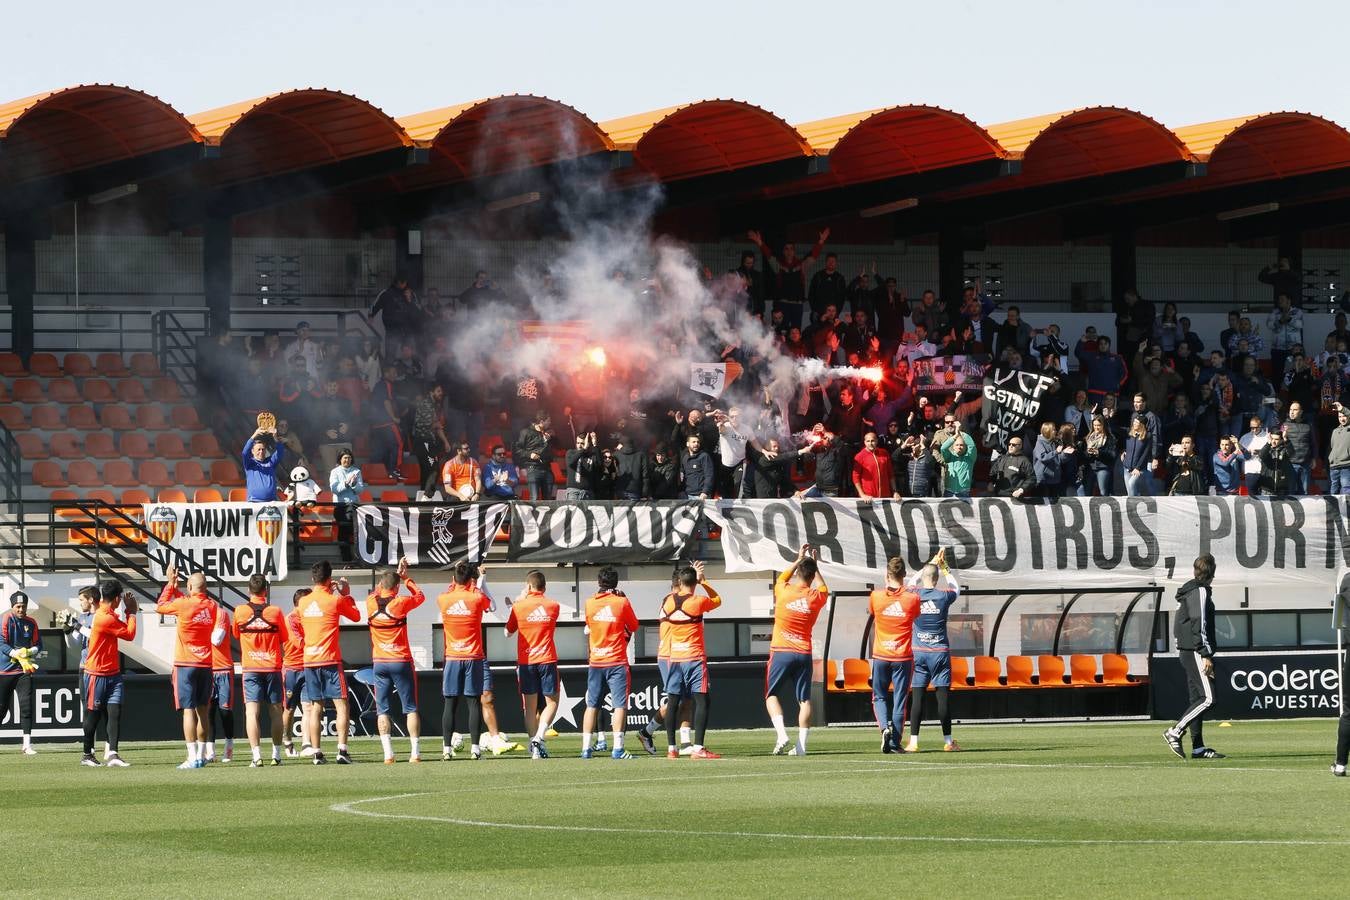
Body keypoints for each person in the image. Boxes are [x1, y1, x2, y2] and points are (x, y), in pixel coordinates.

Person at [156, 568, 228, 769]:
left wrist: (171, 584)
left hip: (185, 664)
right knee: (203, 711)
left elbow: (161, 606)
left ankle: (192, 757)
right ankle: (203, 755)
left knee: (188, 711)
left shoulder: (183, 604)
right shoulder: (213, 607)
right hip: (205, 664)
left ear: (189, 587)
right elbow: (196, 604)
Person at [766, 545, 829, 756]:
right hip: (803, 652)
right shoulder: (815, 597)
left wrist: (798, 558)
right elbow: (824, 588)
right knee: (804, 700)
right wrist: (816, 566)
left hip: (781, 650)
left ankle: (782, 734)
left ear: (798, 573)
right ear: (811, 577)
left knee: (771, 694)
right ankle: (801, 747)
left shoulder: (783, 590)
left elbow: (782, 578)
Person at [299, 561, 360, 765]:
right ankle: (342, 750)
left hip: (310, 660)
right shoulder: (335, 600)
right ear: (329, 578)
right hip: (331, 660)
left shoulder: (303, 603)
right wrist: (345, 593)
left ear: (313, 579)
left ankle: (317, 753)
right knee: (342, 705)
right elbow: (356, 615)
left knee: (316, 706)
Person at [1164, 555, 1225, 760]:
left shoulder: (1190, 591)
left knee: (1196, 698)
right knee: (1209, 698)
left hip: (1188, 650)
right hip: (1195, 651)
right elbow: (1199, 623)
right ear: (1212, 573)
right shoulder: (1198, 591)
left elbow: (1182, 624)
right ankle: (1176, 731)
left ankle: (1198, 748)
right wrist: (1205, 653)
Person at [661, 561, 723, 759]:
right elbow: (717, 600)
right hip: (694, 658)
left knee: (673, 702)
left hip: (675, 658)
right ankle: (698, 748)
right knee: (702, 700)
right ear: (694, 582)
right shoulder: (697, 601)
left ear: (679, 581)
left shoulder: (668, 601)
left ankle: (672, 748)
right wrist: (704, 581)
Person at [366, 558, 425, 764]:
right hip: (400, 661)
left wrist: (392, 580)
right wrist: (406, 578)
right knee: (410, 707)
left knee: (382, 708)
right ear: (397, 587)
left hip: (379, 662)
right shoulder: (400, 603)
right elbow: (420, 596)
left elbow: (377, 591)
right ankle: (415, 753)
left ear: (381, 585)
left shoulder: (370, 602)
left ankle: (388, 754)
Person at [581, 567, 641, 760]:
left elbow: (589, 626)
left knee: (592, 705)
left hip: (596, 660)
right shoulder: (622, 602)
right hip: (616, 661)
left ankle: (585, 748)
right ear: (616, 583)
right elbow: (633, 626)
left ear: (599, 582)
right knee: (620, 705)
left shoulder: (590, 603)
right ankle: (618, 748)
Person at [906, 550, 962, 752]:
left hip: (919, 651)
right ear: (937, 579)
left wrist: (930, 563)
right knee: (942, 697)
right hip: (939, 652)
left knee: (918, 697)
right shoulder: (943, 596)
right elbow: (956, 587)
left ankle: (913, 742)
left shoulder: (913, 594)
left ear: (925, 577)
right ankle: (948, 742)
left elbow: (911, 582)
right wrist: (944, 566)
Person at [232, 574, 290, 767]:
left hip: (251, 668)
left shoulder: (240, 611)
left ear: (249, 591)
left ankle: (256, 756)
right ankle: (277, 755)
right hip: (272, 667)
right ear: (266, 590)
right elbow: (284, 637)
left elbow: (235, 633)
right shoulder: (275, 611)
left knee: (251, 713)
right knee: (275, 712)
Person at [437, 561, 492, 760]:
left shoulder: (443, 598)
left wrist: (457, 583)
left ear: (454, 579)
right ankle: (475, 750)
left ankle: (446, 750)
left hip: (452, 658)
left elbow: (450, 589)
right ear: (471, 580)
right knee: (474, 704)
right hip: (473, 657)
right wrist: (477, 582)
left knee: (450, 704)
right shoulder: (476, 597)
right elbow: (488, 604)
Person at [79, 580, 137, 767]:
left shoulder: (107, 613)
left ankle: (112, 753)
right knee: (93, 715)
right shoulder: (105, 617)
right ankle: (87, 754)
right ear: (118, 598)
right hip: (97, 673)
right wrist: (132, 612)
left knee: (115, 712)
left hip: (112, 673)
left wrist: (128, 613)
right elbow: (129, 634)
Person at [506, 570, 563, 760]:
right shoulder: (553, 606)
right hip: (547, 659)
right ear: (544, 587)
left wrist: (519, 601)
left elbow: (507, 632)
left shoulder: (519, 606)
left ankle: (534, 744)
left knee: (530, 708)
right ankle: (539, 738)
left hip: (526, 662)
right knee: (552, 702)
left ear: (528, 586)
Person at [869, 557, 921, 753]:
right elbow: (915, 615)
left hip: (881, 655)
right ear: (904, 575)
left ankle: (884, 728)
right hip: (903, 657)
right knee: (900, 700)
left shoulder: (876, 596)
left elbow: (874, 612)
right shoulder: (913, 598)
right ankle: (894, 742)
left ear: (886, 574)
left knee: (879, 697)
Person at [0, 591, 41, 756]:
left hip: (24, 670)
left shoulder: (31, 622)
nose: (21, 609)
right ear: (12, 607)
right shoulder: (5, 619)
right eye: (18, 606)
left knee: (26, 706)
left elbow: (39, 645)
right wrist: (15, 654)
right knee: (1, 709)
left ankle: (26, 745)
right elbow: (2, 643)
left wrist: (29, 651)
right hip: (4, 671)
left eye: (23, 606)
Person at [206, 594, 237, 764]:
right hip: (207, 668)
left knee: (225, 711)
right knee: (208, 711)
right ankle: (210, 751)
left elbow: (216, 640)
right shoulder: (199, 615)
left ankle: (229, 746)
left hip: (223, 668)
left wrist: (199, 628)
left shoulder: (221, 614)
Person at [281, 589, 308, 757]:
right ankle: (287, 741)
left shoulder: (310, 619)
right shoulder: (290, 619)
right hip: (291, 669)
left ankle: (306, 744)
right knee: (289, 709)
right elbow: (300, 643)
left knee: (308, 708)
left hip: (308, 667)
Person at [328, 450, 364, 563]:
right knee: (344, 531)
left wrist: (353, 485)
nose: (347, 460)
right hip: (340, 506)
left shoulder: (356, 471)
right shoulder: (334, 472)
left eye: (349, 458)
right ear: (340, 459)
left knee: (351, 531)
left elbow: (360, 489)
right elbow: (334, 489)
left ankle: (356, 559)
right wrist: (345, 483)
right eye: (345, 458)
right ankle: (346, 559)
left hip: (353, 505)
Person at [513, 412, 554, 501]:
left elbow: (555, 448)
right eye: (548, 421)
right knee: (534, 498)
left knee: (548, 499)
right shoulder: (526, 432)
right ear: (542, 421)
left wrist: (549, 440)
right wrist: (529, 454)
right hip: (533, 468)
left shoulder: (548, 433)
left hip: (547, 468)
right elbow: (517, 449)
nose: (550, 423)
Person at [936, 418, 976, 499]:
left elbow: (972, 446)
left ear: (965, 447)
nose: (959, 447)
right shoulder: (949, 457)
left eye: (962, 445)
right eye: (957, 445)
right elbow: (943, 448)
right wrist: (955, 436)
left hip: (964, 492)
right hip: (949, 492)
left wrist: (960, 432)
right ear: (953, 447)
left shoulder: (969, 458)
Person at [242, 425, 283, 502]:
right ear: (253, 451)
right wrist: (254, 435)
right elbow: (245, 453)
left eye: (263, 449)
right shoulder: (250, 463)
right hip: (254, 502)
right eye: (258, 449)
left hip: (272, 502)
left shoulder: (270, 461)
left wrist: (275, 437)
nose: (261, 451)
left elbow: (280, 453)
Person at [852, 431, 898, 499]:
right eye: (868, 441)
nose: (870, 443)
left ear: (877, 441)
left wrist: (895, 492)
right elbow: (855, 477)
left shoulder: (884, 453)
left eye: (872, 441)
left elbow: (890, 473)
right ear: (864, 442)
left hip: (885, 496)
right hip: (869, 497)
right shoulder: (860, 456)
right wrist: (862, 494)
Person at [1121, 419, 1152, 497]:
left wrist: (1138, 468)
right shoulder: (1129, 433)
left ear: (1142, 424)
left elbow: (1145, 454)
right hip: (1127, 467)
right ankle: (1134, 505)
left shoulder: (1147, 436)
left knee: (1132, 484)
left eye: (1136, 422)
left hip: (1139, 468)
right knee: (1130, 492)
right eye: (1134, 422)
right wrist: (1109, 418)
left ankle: (1133, 505)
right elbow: (1115, 429)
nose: (1134, 423)